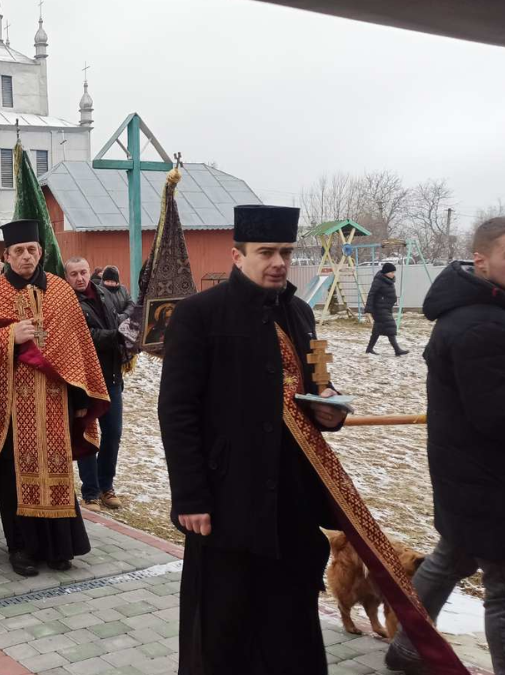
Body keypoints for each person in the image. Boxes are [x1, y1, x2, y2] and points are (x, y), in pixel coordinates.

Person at [159, 205, 348, 674]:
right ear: (237, 254)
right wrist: (190, 495)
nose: (278, 262)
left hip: (293, 497)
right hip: (227, 500)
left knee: (291, 624)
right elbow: (177, 410)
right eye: (266, 252)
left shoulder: (301, 313)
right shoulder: (198, 315)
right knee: (225, 627)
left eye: (285, 251)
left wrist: (329, 405)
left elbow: (320, 378)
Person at [384, 217, 505, 675]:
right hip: (494, 483)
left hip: (468, 475)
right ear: (481, 260)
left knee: (451, 558)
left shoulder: (482, 314)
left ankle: (407, 650)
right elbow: (501, 415)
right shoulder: (482, 325)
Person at [0, 220, 108, 577]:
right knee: (16, 475)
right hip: (11, 402)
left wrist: (79, 398)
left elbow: (78, 347)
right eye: (19, 251)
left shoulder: (59, 290)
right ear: (7, 255)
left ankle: (59, 547)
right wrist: (9, 337)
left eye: (32, 249)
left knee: (57, 469)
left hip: (56, 400)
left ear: (40, 252)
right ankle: (22, 549)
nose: (26, 256)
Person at [65, 257, 126, 512]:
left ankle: (106, 485)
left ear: (90, 272)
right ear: (66, 277)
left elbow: (124, 310)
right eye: (74, 274)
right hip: (85, 379)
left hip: (111, 375)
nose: (80, 278)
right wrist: (118, 336)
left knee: (113, 433)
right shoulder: (67, 301)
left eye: (83, 272)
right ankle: (90, 492)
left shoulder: (105, 293)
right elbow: (84, 336)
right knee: (88, 435)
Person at [365, 262, 409, 356]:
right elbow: (371, 294)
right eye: (391, 272)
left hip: (386, 308)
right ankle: (397, 350)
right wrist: (368, 309)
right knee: (390, 326)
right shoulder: (379, 280)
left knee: (377, 329)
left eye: (394, 272)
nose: (393, 274)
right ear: (386, 272)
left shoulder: (389, 280)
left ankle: (369, 349)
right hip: (379, 308)